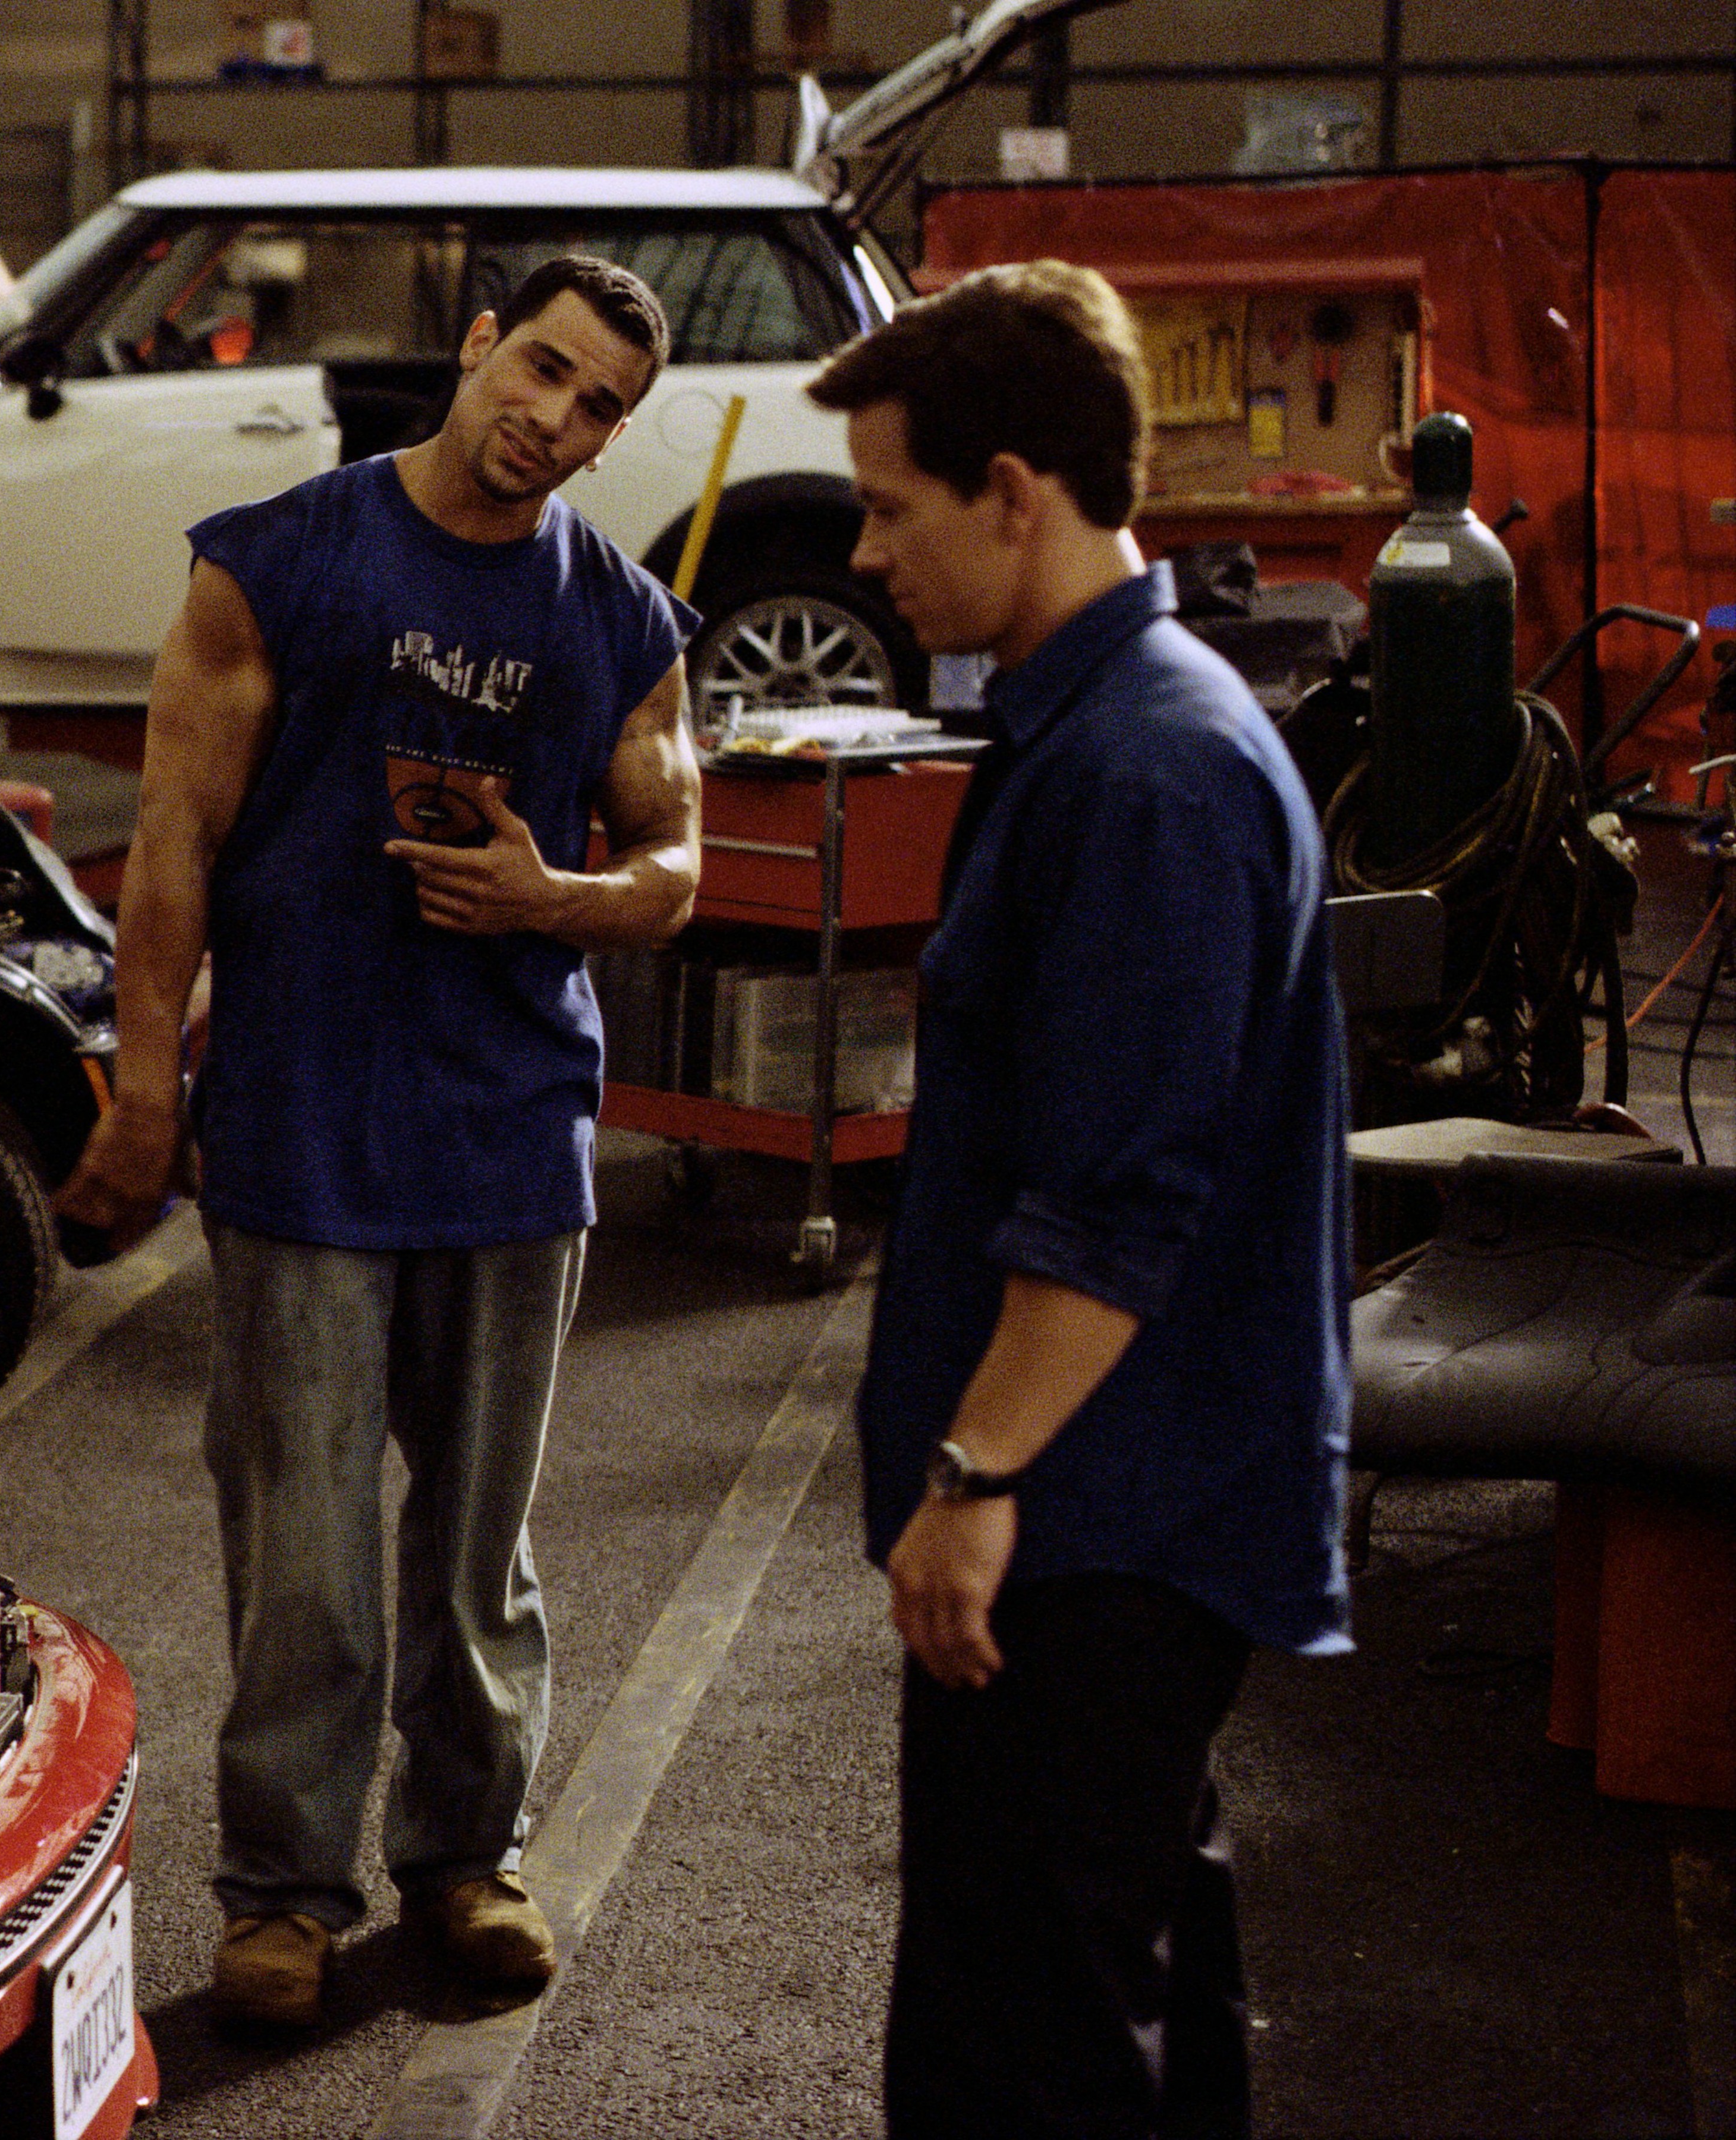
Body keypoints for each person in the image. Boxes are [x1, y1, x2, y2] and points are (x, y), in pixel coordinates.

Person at [53, 253, 704, 2028]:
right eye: (543, 372)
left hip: (510, 1139)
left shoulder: (619, 617)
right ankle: (280, 1888)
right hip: (303, 1128)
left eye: (597, 411)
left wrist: (547, 893)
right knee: (308, 1554)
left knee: (476, 1553)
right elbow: (173, 840)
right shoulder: (273, 561)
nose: (553, 423)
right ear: (480, 342)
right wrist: (142, 1088)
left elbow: (675, 868)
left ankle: (464, 1860)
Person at [809, 261, 1351, 2138]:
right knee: (1116, 1980)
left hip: (1093, 1525)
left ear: (1012, 491)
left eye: (890, 504)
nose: (868, 553)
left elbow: (1118, 1199)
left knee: (1017, 2042)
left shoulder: (1145, 768)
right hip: (1101, 1508)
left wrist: (972, 1480)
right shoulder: (1097, 724)